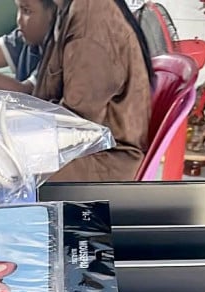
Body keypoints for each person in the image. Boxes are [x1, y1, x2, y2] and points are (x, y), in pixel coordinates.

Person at [34, 0, 153, 180]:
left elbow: (77, 125)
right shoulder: (69, 9)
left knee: (0, 167)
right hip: (80, 151)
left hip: (102, 161)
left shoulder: (91, 16)